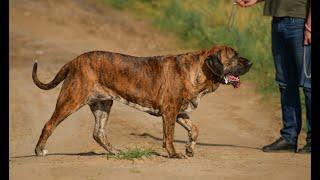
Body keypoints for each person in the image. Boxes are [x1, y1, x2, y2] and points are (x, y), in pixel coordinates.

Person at [235, 0, 311, 153]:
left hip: (300, 22)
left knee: (308, 84)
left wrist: (310, 25)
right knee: (285, 83)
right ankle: (289, 138)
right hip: (278, 21)